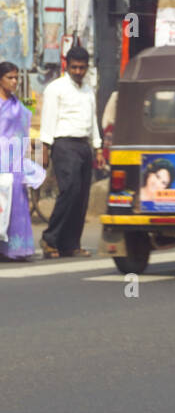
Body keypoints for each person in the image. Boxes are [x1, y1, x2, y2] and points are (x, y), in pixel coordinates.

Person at [39, 45, 103, 258]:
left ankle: (71, 244)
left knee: (82, 196)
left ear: (87, 67)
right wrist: (44, 150)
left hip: (84, 145)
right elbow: (48, 119)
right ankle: (50, 239)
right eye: (74, 67)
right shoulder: (55, 88)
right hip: (64, 144)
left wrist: (98, 146)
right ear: (67, 65)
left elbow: (92, 119)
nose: (78, 72)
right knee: (70, 191)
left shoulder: (88, 89)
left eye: (82, 68)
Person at [0, 60, 41, 261]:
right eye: (10, 78)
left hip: (15, 162)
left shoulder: (19, 105)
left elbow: (25, 129)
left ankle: (16, 248)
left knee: (16, 204)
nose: (14, 81)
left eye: (16, 77)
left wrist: (34, 148)